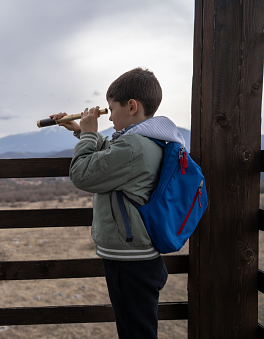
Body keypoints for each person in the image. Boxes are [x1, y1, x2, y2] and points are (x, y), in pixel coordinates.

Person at [50, 67, 186, 339]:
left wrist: (89, 134)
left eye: (112, 109)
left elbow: (82, 174)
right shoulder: (149, 139)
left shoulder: (134, 145)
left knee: (136, 332)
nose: (109, 116)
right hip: (137, 254)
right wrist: (79, 130)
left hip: (130, 258)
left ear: (132, 106)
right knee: (137, 328)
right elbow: (112, 158)